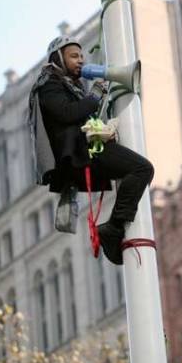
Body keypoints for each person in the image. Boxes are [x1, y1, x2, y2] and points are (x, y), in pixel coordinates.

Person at [28, 36, 154, 265]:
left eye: (82, 56)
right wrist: (94, 96)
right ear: (58, 58)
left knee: (136, 170)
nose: (80, 61)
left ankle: (115, 227)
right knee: (142, 169)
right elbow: (67, 113)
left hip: (85, 150)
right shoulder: (49, 85)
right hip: (79, 154)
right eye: (74, 56)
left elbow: (81, 115)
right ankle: (113, 227)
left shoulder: (69, 86)